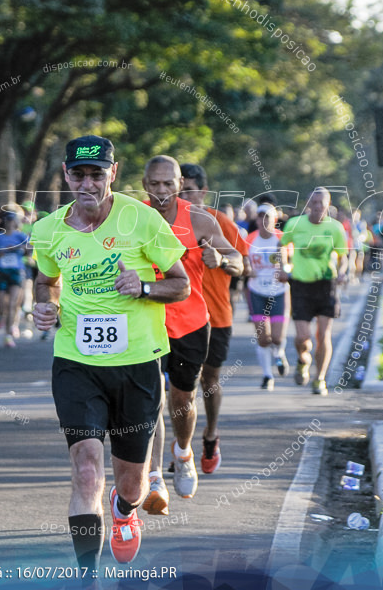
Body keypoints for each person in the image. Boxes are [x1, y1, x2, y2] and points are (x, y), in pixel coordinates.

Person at [30, 136, 190, 572]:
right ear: (66, 175)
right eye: (78, 174)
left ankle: (124, 510)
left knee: (131, 483)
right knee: (85, 467)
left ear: (112, 174)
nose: (87, 183)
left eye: (96, 174)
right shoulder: (48, 230)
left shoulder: (141, 220)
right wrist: (46, 304)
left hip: (136, 364)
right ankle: (88, 577)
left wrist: (142, 287)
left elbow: (181, 284)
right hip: (76, 363)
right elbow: (46, 280)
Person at [143, 156, 242, 506]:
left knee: (182, 399)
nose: (160, 191)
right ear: (144, 184)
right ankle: (155, 478)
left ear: (180, 184)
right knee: (150, 399)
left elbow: (238, 261)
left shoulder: (200, 219)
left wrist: (222, 261)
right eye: (154, 184)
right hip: (146, 320)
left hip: (191, 322)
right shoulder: (131, 219)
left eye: (167, 183)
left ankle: (183, 451)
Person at [178, 163, 250, 477]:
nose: (183, 196)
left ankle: (210, 435)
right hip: (176, 318)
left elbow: (242, 265)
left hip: (216, 316)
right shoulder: (161, 221)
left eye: (189, 190)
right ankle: (183, 447)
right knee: (180, 388)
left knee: (208, 381)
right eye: (179, 190)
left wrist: (221, 260)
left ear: (204, 192)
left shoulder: (218, 222)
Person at [278, 188, 349, 396]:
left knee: (323, 335)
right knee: (302, 337)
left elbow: (343, 256)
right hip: (300, 285)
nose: (318, 207)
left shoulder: (335, 228)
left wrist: (343, 272)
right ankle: (303, 359)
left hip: (326, 284)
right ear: (308, 203)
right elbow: (282, 246)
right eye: (314, 202)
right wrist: (283, 266)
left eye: (322, 203)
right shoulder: (295, 224)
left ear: (328, 204)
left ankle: (320, 379)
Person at [247, 204, 291, 390]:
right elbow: (243, 262)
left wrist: (285, 271)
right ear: (256, 219)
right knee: (263, 338)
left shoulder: (282, 239)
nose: (264, 221)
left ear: (275, 219)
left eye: (268, 217)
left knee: (278, 338)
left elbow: (291, 264)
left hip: (278, 291)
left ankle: (279, 353)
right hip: (257, 291)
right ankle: (267, 375)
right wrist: (247, 270)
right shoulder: (250, 240)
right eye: (260, 217)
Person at [0, 211, 29, 347]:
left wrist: (17, 247)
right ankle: (1, 317)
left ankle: (8, 334)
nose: (10, 222)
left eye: (12, 219)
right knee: (2, 305)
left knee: (13, 304)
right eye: (7, 219)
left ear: (15, 222)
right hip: (1, 272)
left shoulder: (20, 236)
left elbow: (30, 248)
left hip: (16, 272)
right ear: (4, 221)